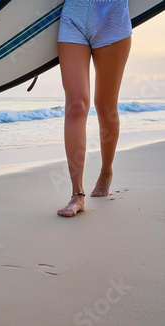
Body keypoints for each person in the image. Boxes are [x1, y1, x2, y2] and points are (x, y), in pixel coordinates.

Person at [56, 0, 132, 217]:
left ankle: (106, 171)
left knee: (106, 106)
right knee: (76, 105)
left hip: (113, 18)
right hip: (74, 15)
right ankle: (76, 194)